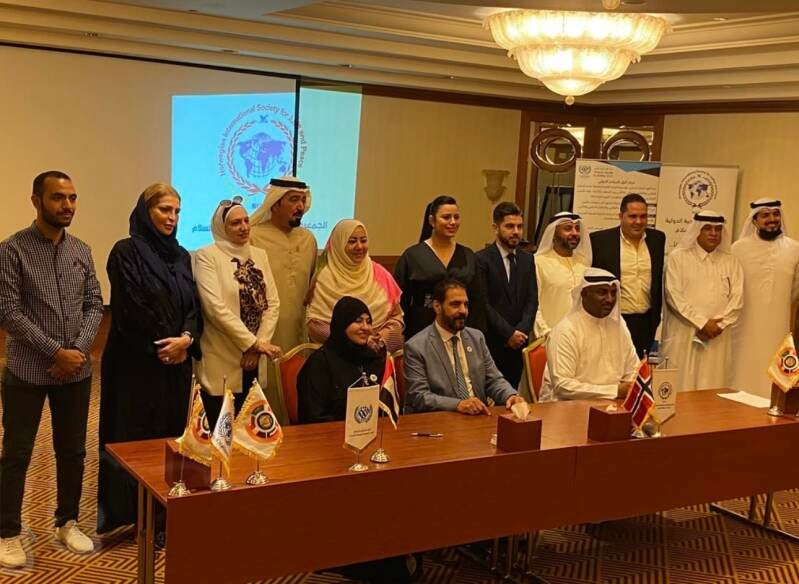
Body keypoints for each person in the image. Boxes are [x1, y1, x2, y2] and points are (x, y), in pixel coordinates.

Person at [0, 171, 103, 568]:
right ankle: (8, 532)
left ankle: (67, 521)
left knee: (73, 451)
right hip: (27, 370)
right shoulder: (13, 250)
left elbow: (94, 304)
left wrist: (76, 351)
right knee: (17, 453)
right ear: (36, 201)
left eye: (72, 198)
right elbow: (9, 313)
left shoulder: (81, 249)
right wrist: (55, 351)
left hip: (75, 371)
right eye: (58, 197)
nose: (67, 205)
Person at [97, 183, 202, 534]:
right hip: (136, 364)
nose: (172, 218)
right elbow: (130, 308)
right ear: (146, 211)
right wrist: (165, 346)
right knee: (134, 442)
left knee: (170, 440)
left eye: (177, 211)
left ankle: (163, 516)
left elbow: (193, 306)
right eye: (164, 210)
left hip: (176, 365)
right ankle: (132, 516)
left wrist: (186, 340)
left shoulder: (182, 255)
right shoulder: (124, 251)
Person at [194, 197, 282, 428]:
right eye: (235, 223)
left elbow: (272, 304)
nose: (243, 227)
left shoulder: (259, 255)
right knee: (220, 431)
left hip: (255, 359)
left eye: (246, 221)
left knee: (250, 432)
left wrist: (258, 346)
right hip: (222, 357)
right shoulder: (207, 255)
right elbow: (214, 308)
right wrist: (252, 344)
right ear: (221, 227)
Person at [404, 278, 524, 414]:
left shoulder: (476, 338)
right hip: (441, 420)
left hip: (478, 417)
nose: (463, 311)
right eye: (455, 304)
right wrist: (458, 405)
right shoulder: (416, 347)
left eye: (466, 304)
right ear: (437, 306)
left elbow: (493, 380)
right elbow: (419, 396)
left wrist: (510, 395)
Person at [662, 211, 744, 391]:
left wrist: (718, 326)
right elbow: (673, 296)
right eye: (707, 228)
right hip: (686, 333)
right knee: (683, 385)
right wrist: (702, 323)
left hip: (718, 337)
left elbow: (737, 300)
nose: (713, 233)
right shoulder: (678, 257)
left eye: (718, 229)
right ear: (697, 230)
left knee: (714, 384)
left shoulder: (731, 261)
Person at [731, 199, 799, 398]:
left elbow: (796, 291)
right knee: (743, 375)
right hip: (745, 327)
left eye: (776, 214)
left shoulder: (794, 249)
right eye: (765, 215)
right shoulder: (738, 249)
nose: (772, 219)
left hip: (780, 325)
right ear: (754, 220)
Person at [394, 196, 486, 339]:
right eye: (446, 217)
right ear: (432, 221)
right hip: (421, 328)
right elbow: (400, 300)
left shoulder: (468, 255)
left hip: (460, 329)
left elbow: (478, 300)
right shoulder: (413, 255)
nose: (453, 222)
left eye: (456, 217)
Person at [307, 219, 404, 354]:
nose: (359, 247)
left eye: (363, 240)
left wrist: (379, 341)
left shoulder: (380, 274)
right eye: (352, 241)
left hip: (376, 354)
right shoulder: (323, 279)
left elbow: (396, 318)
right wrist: (353, 341)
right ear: (339, 244)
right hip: (336, 356)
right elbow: (314, 325)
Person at [541, 268, 639, 401]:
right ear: (584, 294)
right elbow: (562, 386)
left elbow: (633, 369)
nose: (609, 299)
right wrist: (615, 391)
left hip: (614, 405)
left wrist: (628, 387)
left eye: (613, 293)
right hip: (568, 407)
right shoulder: (566, 330)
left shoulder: (618, 325)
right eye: (602, 292)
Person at [590, 194, 665, 357]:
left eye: (643, 216)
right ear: (620, 216)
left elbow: (658, 282)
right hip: (613, 320)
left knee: (641, 369)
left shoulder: (657, 240)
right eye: (632, 216)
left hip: (647, 323)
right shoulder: (600, 241)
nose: (638, 221)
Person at [249, 176, 317, 354]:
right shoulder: (253, 237)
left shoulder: (308, 239)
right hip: (264, 332)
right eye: (293, 200)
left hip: (298, 329)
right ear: (275, 204)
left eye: (303, 200)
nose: (300, 207)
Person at [475, 202, 537, 387]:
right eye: (509, 226)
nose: (516, 232)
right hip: (493, 341)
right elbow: (483, 303)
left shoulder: (527, 259)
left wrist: (521, 331)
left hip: (519, 343)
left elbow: (532, 300)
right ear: (496, 228)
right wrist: (508, 333)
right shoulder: (482, 259)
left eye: (519, 226)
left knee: (512, 393)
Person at [298, 296, 386, 424]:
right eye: (358, 321)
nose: (365, 327)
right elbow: (312, 415)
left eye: (368, 322)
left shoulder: (373, 360)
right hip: (330, 433)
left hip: (372, 432)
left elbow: (385, 407)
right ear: (342, 324)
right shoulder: (320, 362)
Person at [533, 211, 592, 338]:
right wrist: (545, 332)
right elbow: (533, 303)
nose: (574, 233)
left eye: (577, 228)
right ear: (553, 233)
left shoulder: (584, 263)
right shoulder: (538, 262)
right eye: (568, 228)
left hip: (581, 336)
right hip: (550, 336)